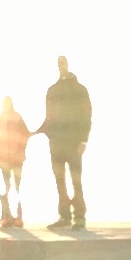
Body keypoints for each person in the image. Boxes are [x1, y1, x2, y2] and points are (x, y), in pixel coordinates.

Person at [36, 56, 92, 230]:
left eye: (63, 62)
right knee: (60, 182)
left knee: (76, 181)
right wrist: (37, 132)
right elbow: (49, 117)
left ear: (68, 64)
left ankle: (79, 218)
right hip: (56, 144)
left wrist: (83, 140)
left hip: (74, 143)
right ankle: (64, 216)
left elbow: (86, 116)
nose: (61, 66)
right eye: (59, 63)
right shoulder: (52, 90)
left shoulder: (80, 90)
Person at [0, 96, 32, 228]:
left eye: (8, 102)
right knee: (5, 188)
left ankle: (18, 217)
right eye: (5, 102)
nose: (6, 104)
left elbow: (25, 135)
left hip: (16, 159)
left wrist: (21, 151)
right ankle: (6, 216)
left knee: (17, 188)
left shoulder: (17, 117)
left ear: (11, 103)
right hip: (4, 160)